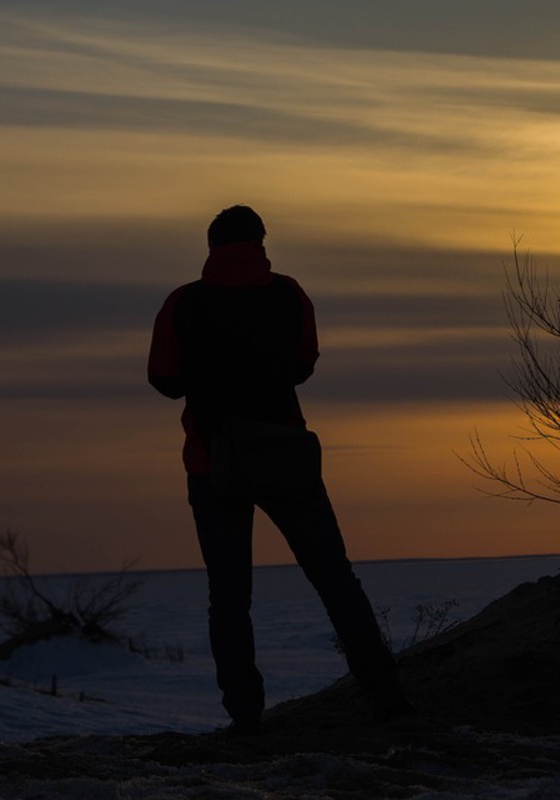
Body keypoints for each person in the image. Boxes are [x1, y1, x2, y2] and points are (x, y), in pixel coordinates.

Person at [148, 205, 411, 735]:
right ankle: (385, 694)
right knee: (334, 577)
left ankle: (246, 716)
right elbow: (305, 364)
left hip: (211, 460)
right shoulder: (289, 294)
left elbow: (164, 378)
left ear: (210, 245)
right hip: (286, 455)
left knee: (228, 595)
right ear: (261, 242)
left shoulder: (183, 302)